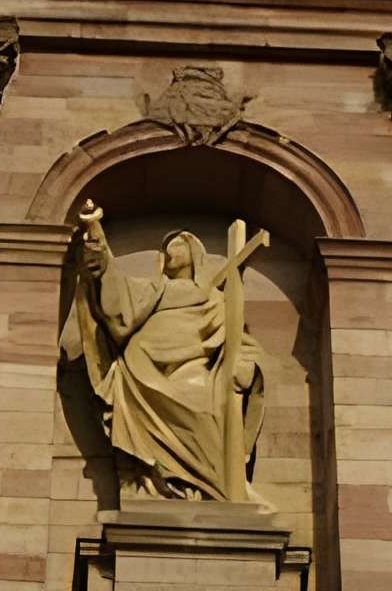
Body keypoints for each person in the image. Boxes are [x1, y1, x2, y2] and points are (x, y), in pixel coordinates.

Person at [60, 208, 268, 504]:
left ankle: (212, 486)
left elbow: (240, 341)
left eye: (180, 244)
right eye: (168, 246)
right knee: (149, 392)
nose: (172, 249)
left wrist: (246, 366)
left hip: (194, 371)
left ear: (195, 253)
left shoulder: (215, 299)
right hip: (140, 371)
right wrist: (100, 246)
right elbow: (118, 300)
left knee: (203, 406)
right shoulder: (154, 289)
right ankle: (155, 481)